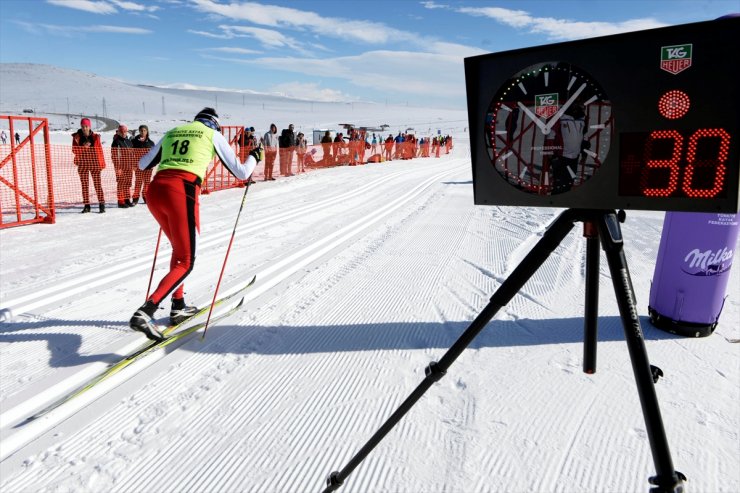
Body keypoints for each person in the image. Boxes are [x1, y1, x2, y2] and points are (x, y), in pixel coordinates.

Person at [130, 108, 261, 340]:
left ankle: (178, 305)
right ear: (215, 124)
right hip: (182, 190)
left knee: (180, 251)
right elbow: (241, 173)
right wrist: (254, 157)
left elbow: (142, 165)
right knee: (187, 260)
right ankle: (145, 312)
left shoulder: (174, 131)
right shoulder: (213, 135)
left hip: (155, 191)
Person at [72, 117, 106, 213]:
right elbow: (74, 150)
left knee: (97, 185)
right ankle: (87, 206)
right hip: (82, 164)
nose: (84, 128)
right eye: (83, 126)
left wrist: (102, 163)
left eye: (86, 126)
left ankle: (102, 204)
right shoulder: (77, 137)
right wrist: (83, 147)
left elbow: (100, 150)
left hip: (95, 164)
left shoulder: (95, 137)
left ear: (89, 126)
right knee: (84, 185)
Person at [111, 124, 134, 208]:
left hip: (129, 166)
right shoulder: (116, 142)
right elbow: (114, 156)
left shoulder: (128, 141)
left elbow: (133, 154)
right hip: (121, 166)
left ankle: (127, 199)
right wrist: (118, 168)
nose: (123, 133)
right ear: (118, 132)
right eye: (121, 131)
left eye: (124, 131)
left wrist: (133, 164)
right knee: (121, 183)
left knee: (128, 183)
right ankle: (121, 201)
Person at [131, 124, 154, 205]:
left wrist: (152, 164)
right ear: (139, 131)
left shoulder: (151, 143)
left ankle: (145, 197)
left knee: (147, 182)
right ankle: (135, 198)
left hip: (148, 166)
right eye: (141, 130)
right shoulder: (134, 141)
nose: (143, 132)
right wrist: (133, 164)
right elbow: (130, 154)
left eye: (144, 130)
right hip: (138, 166)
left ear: (147, 131)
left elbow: (153, 155)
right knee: (138, 182)